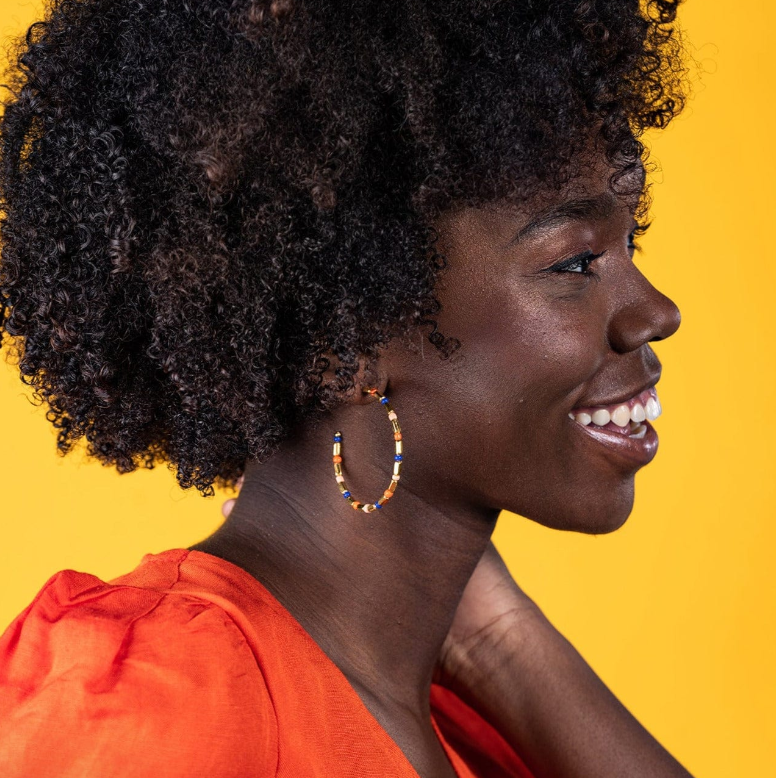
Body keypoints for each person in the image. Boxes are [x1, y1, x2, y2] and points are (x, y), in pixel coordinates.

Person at [0, 0, 694, 776]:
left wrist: (505, 643)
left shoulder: (466, 727)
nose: (655, 313)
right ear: (351, 342)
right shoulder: (165, 696)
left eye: (630, 242)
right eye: (575, 262)